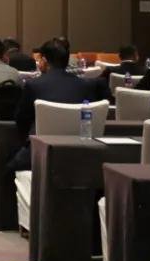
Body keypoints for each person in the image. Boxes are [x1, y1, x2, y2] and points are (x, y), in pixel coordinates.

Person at [11, 40, 101, 170]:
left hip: (40, 154)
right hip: (80, 154)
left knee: (7, 169)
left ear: (44, 61)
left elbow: (21, 120)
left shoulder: (33, 85)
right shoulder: (86, 85)